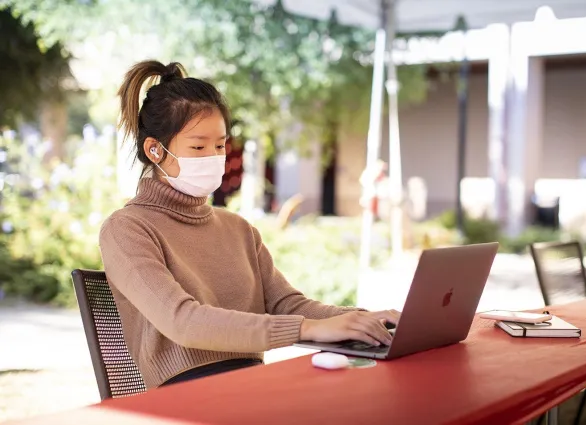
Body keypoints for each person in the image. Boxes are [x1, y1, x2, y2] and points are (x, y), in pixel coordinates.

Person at [100, 60, 399, 389]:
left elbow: (288, 304)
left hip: (251, 384)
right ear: (155, 150)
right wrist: (308, 330)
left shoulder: (238, 229)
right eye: (198, 146)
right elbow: (182, 321)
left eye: (219, 146)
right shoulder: (126, 229)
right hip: (185, 396)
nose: (214, 157)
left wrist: (361, 319)